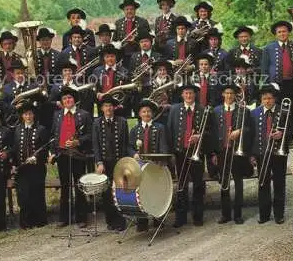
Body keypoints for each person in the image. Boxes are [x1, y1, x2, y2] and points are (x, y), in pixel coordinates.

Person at [167, 84, 215, 227]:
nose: (189, 96)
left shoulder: (203, 110)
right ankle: (180, 218)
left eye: (191, 94)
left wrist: (200, 136)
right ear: (182, 95)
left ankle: (197, 216)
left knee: (198, 185)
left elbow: (211, 131)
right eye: (186, 93)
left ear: (195, 95)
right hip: (180, 153)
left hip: (197, 153)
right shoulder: (174, 110)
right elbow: (170, 131)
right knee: (181, 185)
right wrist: (171, 153)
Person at [250, 83, 293, 224]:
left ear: (275, 99)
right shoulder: (255, 113)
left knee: (279, 183)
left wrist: (283, 134)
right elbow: (251, 135)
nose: (267, 101)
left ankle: (279, 214)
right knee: (263, 184)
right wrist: (252, 154)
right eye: (264, 98)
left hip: (278, 154)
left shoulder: (284, 111)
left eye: (269, 98)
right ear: (261, 99)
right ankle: (264, 214)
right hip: (261, 154)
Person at [50, 86, 91, 228]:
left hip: (78, 155)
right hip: (62, 155)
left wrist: (77, 142)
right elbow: (53, 136)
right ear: (62, 101)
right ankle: (64, 218)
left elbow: (90, 135)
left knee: (79, 186)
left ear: (74, 100)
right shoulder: (57, 115)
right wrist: (53, 152)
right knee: (65, 187)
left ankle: (81, 218)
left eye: (70, 98)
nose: (67, 100)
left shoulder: (84, 114)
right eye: (65, 98)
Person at [213, 83, 252, 225]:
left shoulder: (244, 111)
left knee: (239, 183)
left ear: (235, 95)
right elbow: (213, 132)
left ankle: (238, 215)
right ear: (223, 94)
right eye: (226, 93)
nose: (229, 96)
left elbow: (250, 129)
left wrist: (240, 131)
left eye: (231, 93)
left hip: (237, 152)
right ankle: (225, 214)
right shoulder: (216, 111)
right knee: (224, 184)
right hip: (222, 151)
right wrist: (214, 153)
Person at [92, 95, 131, 231]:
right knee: (106, 192)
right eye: (105, 106)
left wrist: (125, 163)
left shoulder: (122, 121)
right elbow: (95, 145)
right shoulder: (97, 123)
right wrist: (99, 162)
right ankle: (110, 220)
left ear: (114, 107)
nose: (108, 108)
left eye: (110, 106)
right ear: (102, 108)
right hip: (104, 164)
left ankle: (121, 221)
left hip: (118, 162)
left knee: (119, 191)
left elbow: (126, 144)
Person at [130, 99, 169, 231]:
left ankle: (158, 219)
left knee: (156, 192)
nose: (146, 114)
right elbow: (129, 147)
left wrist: (161, 162)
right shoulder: (135, 129)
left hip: (155, 166)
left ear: (152, 114)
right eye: (143, 111)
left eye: (148, 111)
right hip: (140, 167)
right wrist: (133, 154)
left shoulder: (160, 128)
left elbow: (164, 147)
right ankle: (142, 221)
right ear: (140, 114)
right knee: (141, 193)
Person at [11, 102, 49, 229]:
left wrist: (37, 157)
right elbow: (14, 149)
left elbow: (45, 148)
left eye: (30, 114)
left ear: (34, 115)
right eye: (26, 114)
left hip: (37, 168)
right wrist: (13, 165)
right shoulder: (17, 129)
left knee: (37, 193)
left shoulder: (41, 129)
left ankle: (40, 220)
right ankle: (26, 222)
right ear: (22, 116)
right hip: (22, 169)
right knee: (24, 194)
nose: (28, 117)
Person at [261, 21, 293, 115]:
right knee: (277, 109)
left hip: (292, 84)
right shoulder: (268, 48)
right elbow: (264, 68)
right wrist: (267, 86)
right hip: (275, 84)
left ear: (288, 33)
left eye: (284, 31)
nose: (282, 34)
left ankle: (291, 128)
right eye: (279, 32)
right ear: (276, 34)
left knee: (292, 108)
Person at [112, 0, 150, 68]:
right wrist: (117, 44)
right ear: (123, 10)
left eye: (131, 9)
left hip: (138, 54)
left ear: (135, 10)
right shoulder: (118, 23)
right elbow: (114, 40)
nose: (129, 11)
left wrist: (135, 40)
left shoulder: (143, 22)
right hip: (122, 55)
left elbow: (149, 40)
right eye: (127, 9)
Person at [92, 44, 129, 116]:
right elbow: (94, 88)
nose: (110, 59)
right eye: (107, 57)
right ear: (103, 58)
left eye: (112, 56)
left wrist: (122, 104)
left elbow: (127, 91)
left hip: (118, 106)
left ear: (116, 57)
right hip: (102, 106)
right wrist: (97, 94)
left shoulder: (124, 71)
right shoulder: (97, 71)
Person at [128, 31, 163, 103]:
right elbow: (130, 73)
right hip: (138, 90)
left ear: (151, 42)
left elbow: (162, 73)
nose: (144, 43)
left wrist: (152, 72)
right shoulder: (134, 56)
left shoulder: (158, 56)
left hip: (153, 88)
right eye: (141, 42)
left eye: (146, 41)